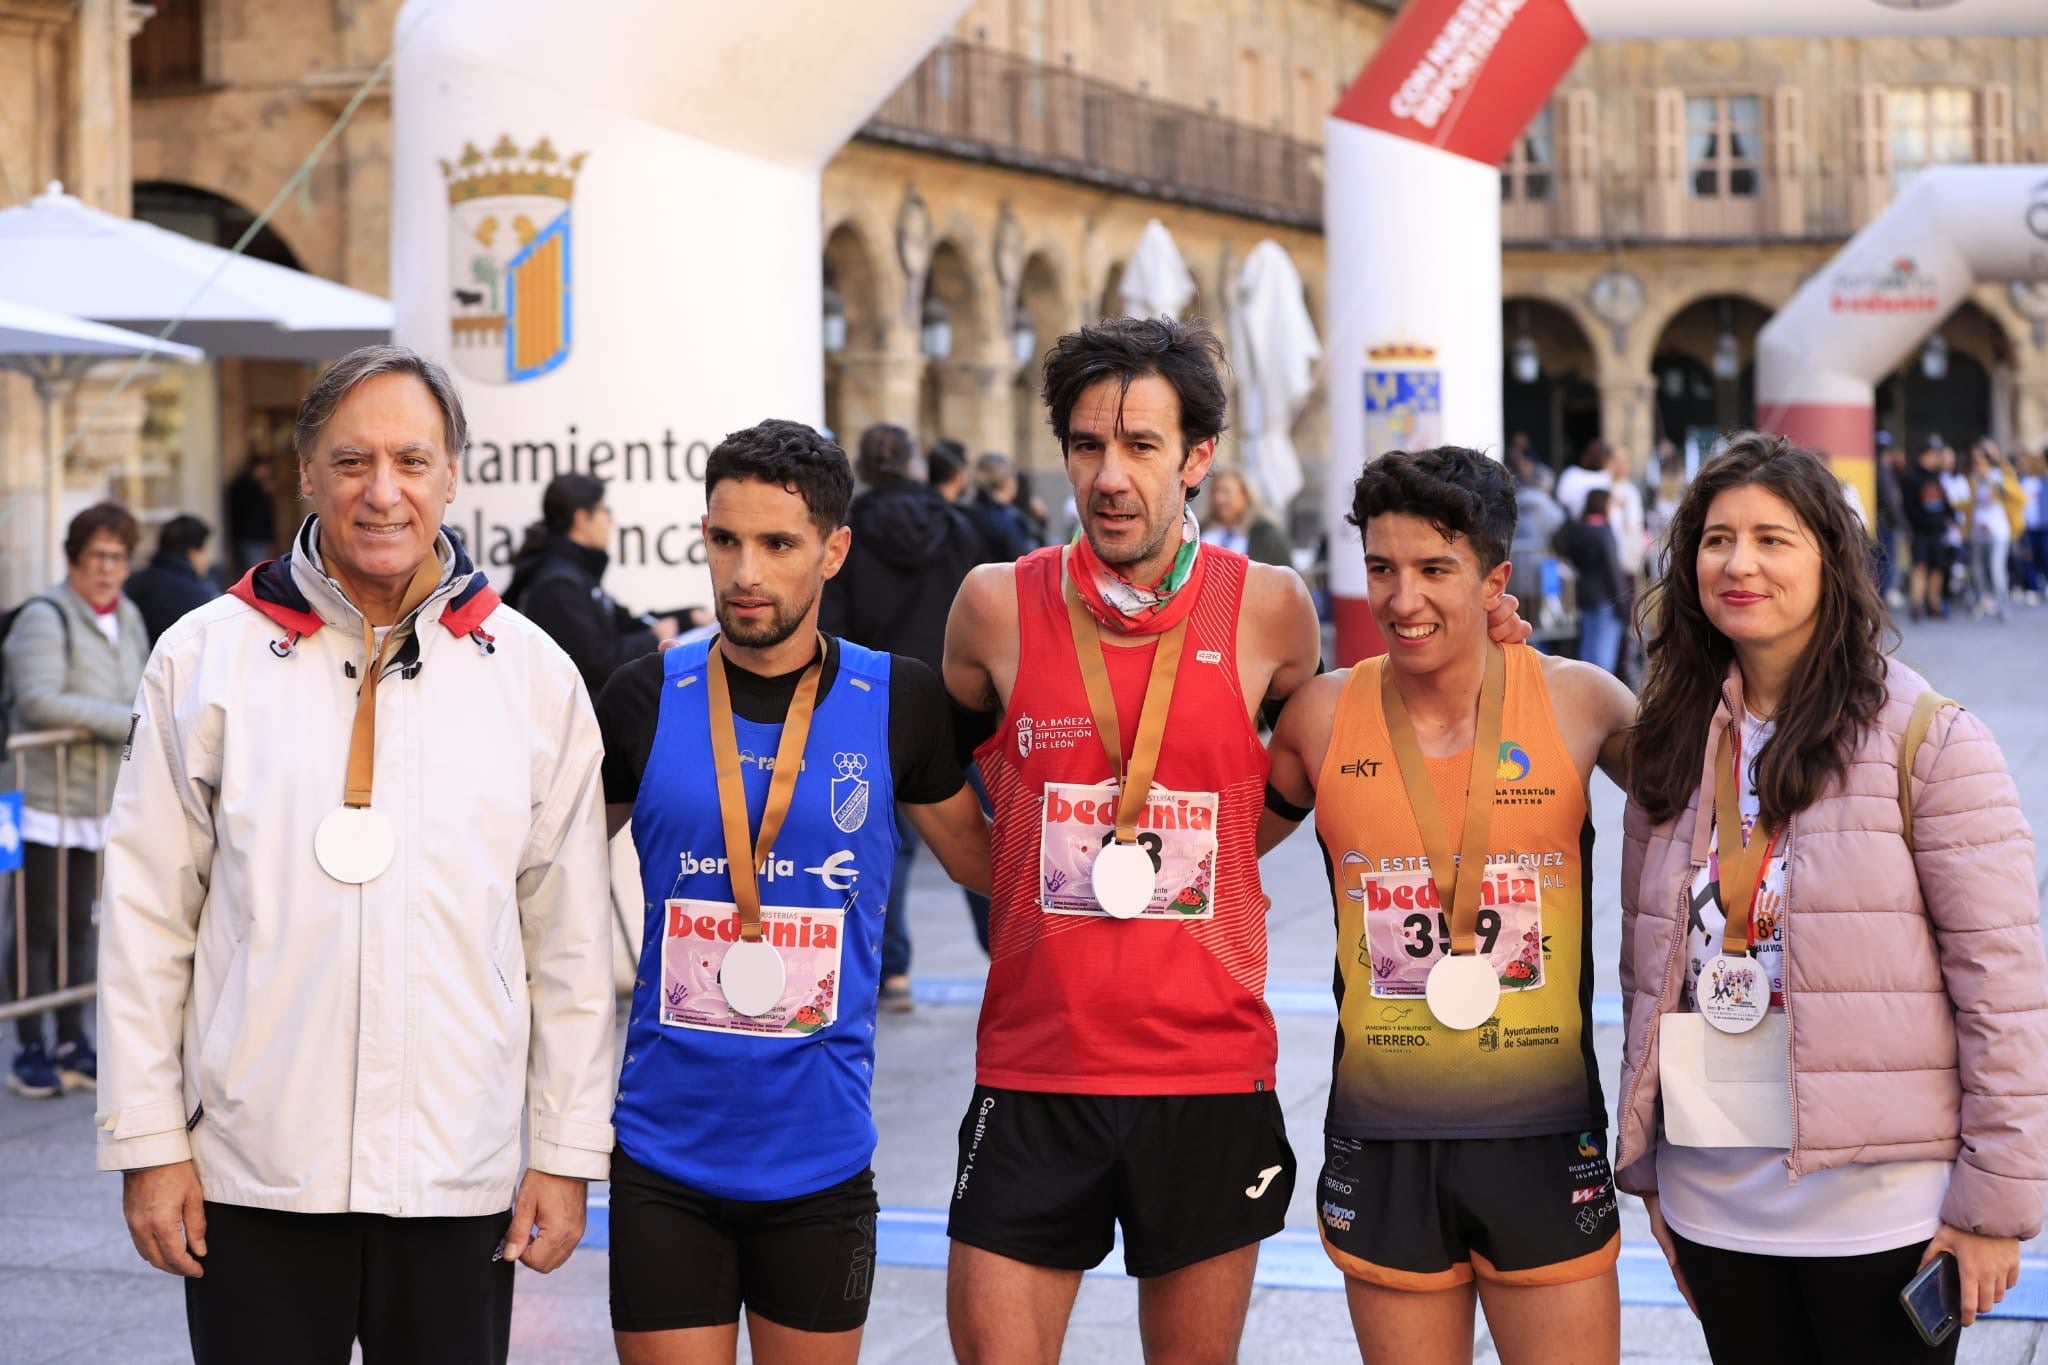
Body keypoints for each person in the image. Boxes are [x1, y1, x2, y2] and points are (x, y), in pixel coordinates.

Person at [939, 315, 1533, 1363]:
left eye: (1140, 446)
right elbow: (932, 770)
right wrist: (1016, 874)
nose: (1109, 476)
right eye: (1085, 445)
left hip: (1205, 1075)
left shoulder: (1268, 610)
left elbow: (1318, 767)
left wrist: (1489, 661)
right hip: (1035, 1071)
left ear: (1198, 458)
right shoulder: (992, 606)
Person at [94, 345, 617, 1364]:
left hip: (457, 1170)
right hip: (255, 1169)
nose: (383, 493)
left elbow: (570, 941)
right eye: (351, 462)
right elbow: (144, 918)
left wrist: (562, 1151)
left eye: (412, 462)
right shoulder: (203, 660)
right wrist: (149, 1143)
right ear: (302, 471)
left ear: (453, 475)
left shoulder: (531, 675)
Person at [1617, 433, 2048, 1365]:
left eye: (1774, 538)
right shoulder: (1674, 745)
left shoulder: (1929, 740)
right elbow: (1647, 970)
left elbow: (2003, 988)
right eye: (1717, 538)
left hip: (1882, 1216)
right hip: (1716, 1204)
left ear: (1829, 558)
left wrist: (1997, 1206)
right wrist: (1653, 1175)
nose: (1740, 563)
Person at [595, 418, 991, 1365]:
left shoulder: (899, 701)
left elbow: (991, 870)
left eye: (777, 544)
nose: (745, 572)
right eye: (725, 540)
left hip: (821, 1161)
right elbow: (531, 867)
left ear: (833, 549)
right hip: (662, 1156)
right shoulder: (644, 696)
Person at [1259, 445, 1635, 1365]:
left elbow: (1726, 781)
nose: (1402, 598)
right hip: (1384, 1137)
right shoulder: (1318, 716)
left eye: (1436, 570)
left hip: (1542, 1134)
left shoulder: (1581, 703)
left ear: (1495, 577)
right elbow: (1218, 844)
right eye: (1382, 568)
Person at [821, 423, 986, 1009]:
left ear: (863, 467)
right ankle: (1012, 952)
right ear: (915, 463)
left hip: (877, 699)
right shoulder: (956, 526)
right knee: (978, 833)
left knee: (876, 841)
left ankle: (890, 973)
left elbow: (832, 622)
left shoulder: (846, 535)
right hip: (954, 701)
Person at [2, 503, 149, 1098]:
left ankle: (72, 1038)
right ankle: (30, 1045)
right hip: (40, 796)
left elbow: (144, 682)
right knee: (37, 922)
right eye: (98, 557)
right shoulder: (45, 617)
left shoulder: (129, 615)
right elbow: (38, 700)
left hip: (96, 799)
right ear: (74, 558)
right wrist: (123, 721)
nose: (108, 569)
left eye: (118, 557)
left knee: (83, 926)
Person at [505, 471, 680, 698]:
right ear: (581, 519)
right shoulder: (559, 585)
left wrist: (689, 616)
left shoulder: (577, 575)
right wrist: (653, 638)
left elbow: (627, 622)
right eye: (604, 511)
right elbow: (595, 664)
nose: (610, 520)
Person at [122, 514, 222, 646]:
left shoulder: (132, 583)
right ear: (193, 553)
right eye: (204, 551)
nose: (206, 559)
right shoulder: (199, 596)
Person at [1557, 488, 1627, 675]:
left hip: (1584, 595)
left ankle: (1586, 694)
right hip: (1606, 597)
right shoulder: (1604, 533)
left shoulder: (1576, 530)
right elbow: (1613, 570)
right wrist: (1623, 603)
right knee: (1603, 655)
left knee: (1588, 650)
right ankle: (1601, 698)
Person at [1962, 441, 2019, 622]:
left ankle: (2003, 605)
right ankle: (1982, 603)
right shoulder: (1973, 480)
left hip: (1998, 531)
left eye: (1981, 461)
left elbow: (2016, 495)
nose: (1978, 466)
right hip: (1979, 531)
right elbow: (1971, 505)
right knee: (1977, 570)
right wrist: (1967, 527)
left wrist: (1997, 462)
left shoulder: (1999, 476)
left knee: (1996, 570)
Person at [1900, 442, 1955, 621]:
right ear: (1923, 456)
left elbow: (1945, 503)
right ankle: (1916, 605)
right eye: (1932, 455)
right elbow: (1907, 506)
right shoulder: (1911, 477)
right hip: (1920, 531)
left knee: (1938, 568)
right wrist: (1910, 527)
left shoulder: (1936, 477)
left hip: (1938, 530)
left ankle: (1933, 604)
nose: (1935, 458)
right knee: (1920, 566)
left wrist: (1952, 519)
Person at [1200, 467, 1294, 567]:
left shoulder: (1267, 536)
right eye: (1215, 491)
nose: (1219, 499)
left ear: (1245, 495)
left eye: (1226, 492)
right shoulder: (1197, 531)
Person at [967, 452, 1041, 564]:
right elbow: (1028, 559)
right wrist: (1042, 521)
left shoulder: (968, 513)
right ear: (1007, 481)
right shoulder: (1006, 520)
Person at [224, 454, 275, 575]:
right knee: (254, 572)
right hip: (251, 535)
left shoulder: (250, 486)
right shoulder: (248, 487)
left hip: (250, 535)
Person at [1555, 439, 1611, 520]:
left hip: (1587, 523)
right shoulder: (1572, 473)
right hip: (1578, 523)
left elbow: (1561, 498)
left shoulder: (1604, 476)